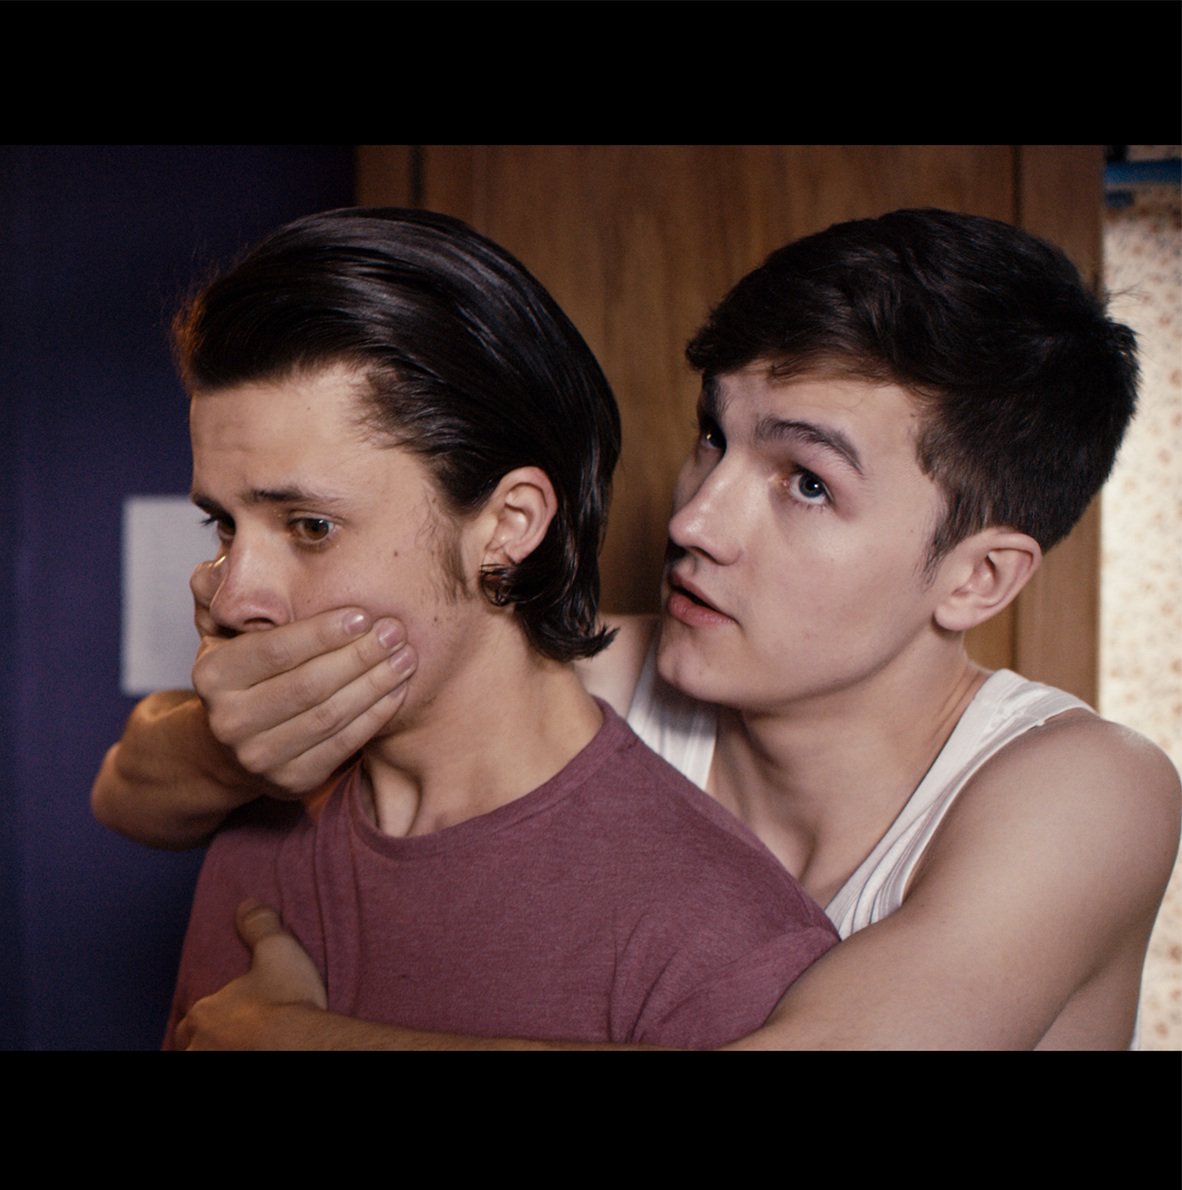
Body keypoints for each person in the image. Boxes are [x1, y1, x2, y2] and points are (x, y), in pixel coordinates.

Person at [94, 208, 1182, 1050]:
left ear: (979, 577)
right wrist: (229, 739)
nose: (695, 518)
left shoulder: (1082, 790)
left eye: (805, 481)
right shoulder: (601, 679)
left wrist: (297, 1040)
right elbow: (131, 791)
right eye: (714, 437)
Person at [148, 208, 837, 1050]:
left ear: (509, 524)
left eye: (310, 526)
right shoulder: (259, 829)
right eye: (223, 525)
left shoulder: (724, 945)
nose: (230, 599)